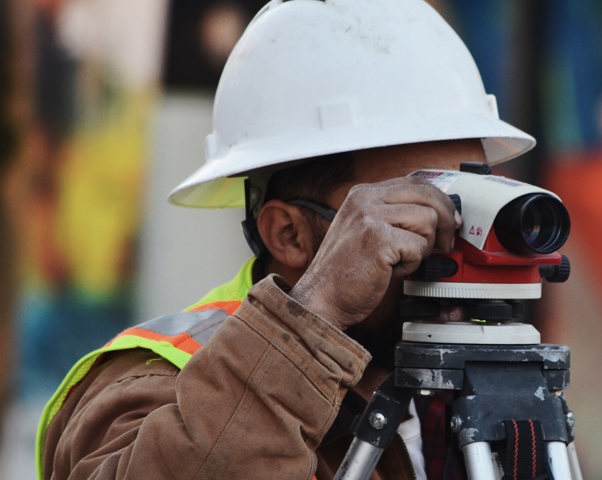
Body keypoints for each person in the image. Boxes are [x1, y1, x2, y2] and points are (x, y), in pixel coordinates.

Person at [36, 0, 536, 479]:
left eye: (466, 199)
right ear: (289, 233)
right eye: (414, 210)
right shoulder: (151, 379)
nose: (452, 237)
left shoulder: (469, 386)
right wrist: (314, 315)